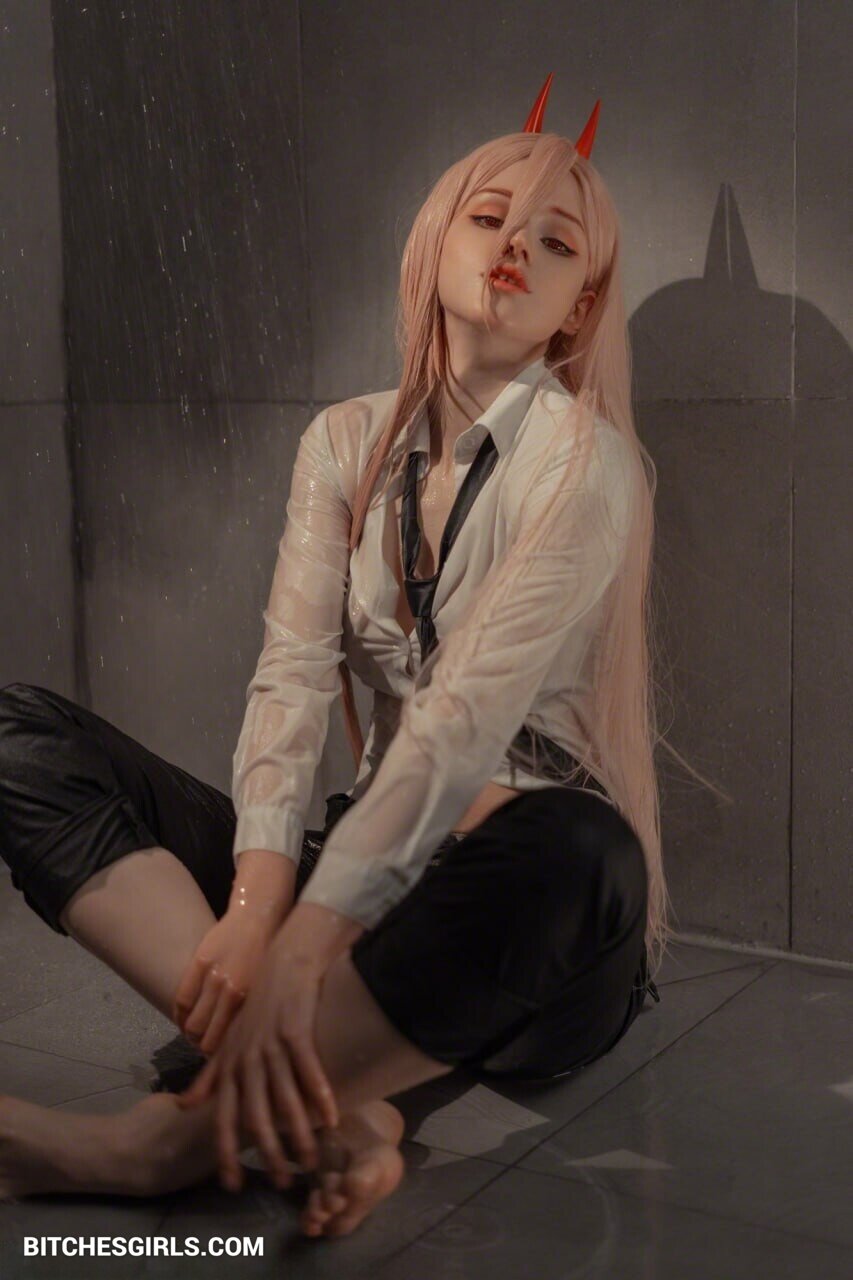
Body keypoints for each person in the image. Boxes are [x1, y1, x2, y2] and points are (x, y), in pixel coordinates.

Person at [0, 78, 670, 1238]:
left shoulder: (585, 463)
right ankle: (340, 1112)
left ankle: (160, 1145)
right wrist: (260, 902)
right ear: (435, 241)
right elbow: (293, 676)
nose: (515, 244)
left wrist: (306, 940)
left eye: (556, 241)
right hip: (353, 878)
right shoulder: (345, 438)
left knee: (582, 849)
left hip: (527, 918)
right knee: (19, 734)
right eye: (488, 217)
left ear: (576, 311)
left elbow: (464, 721)